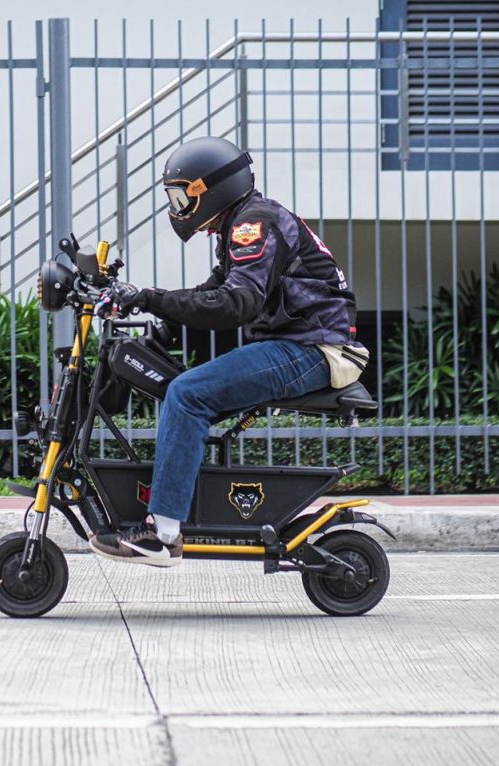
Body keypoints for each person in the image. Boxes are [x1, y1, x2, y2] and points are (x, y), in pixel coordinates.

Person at [89, 136, 368, 567]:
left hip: (317, 348)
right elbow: (213, 292)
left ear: (210, 188)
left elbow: (238, 303)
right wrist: (158, 325)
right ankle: (176, 512)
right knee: (179, 390)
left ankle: (162, 535)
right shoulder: (240, 222)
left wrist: (147, 298)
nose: (178, 208)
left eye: (182, 196)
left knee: (188, 393)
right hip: (296, 343)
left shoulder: (253, 223)